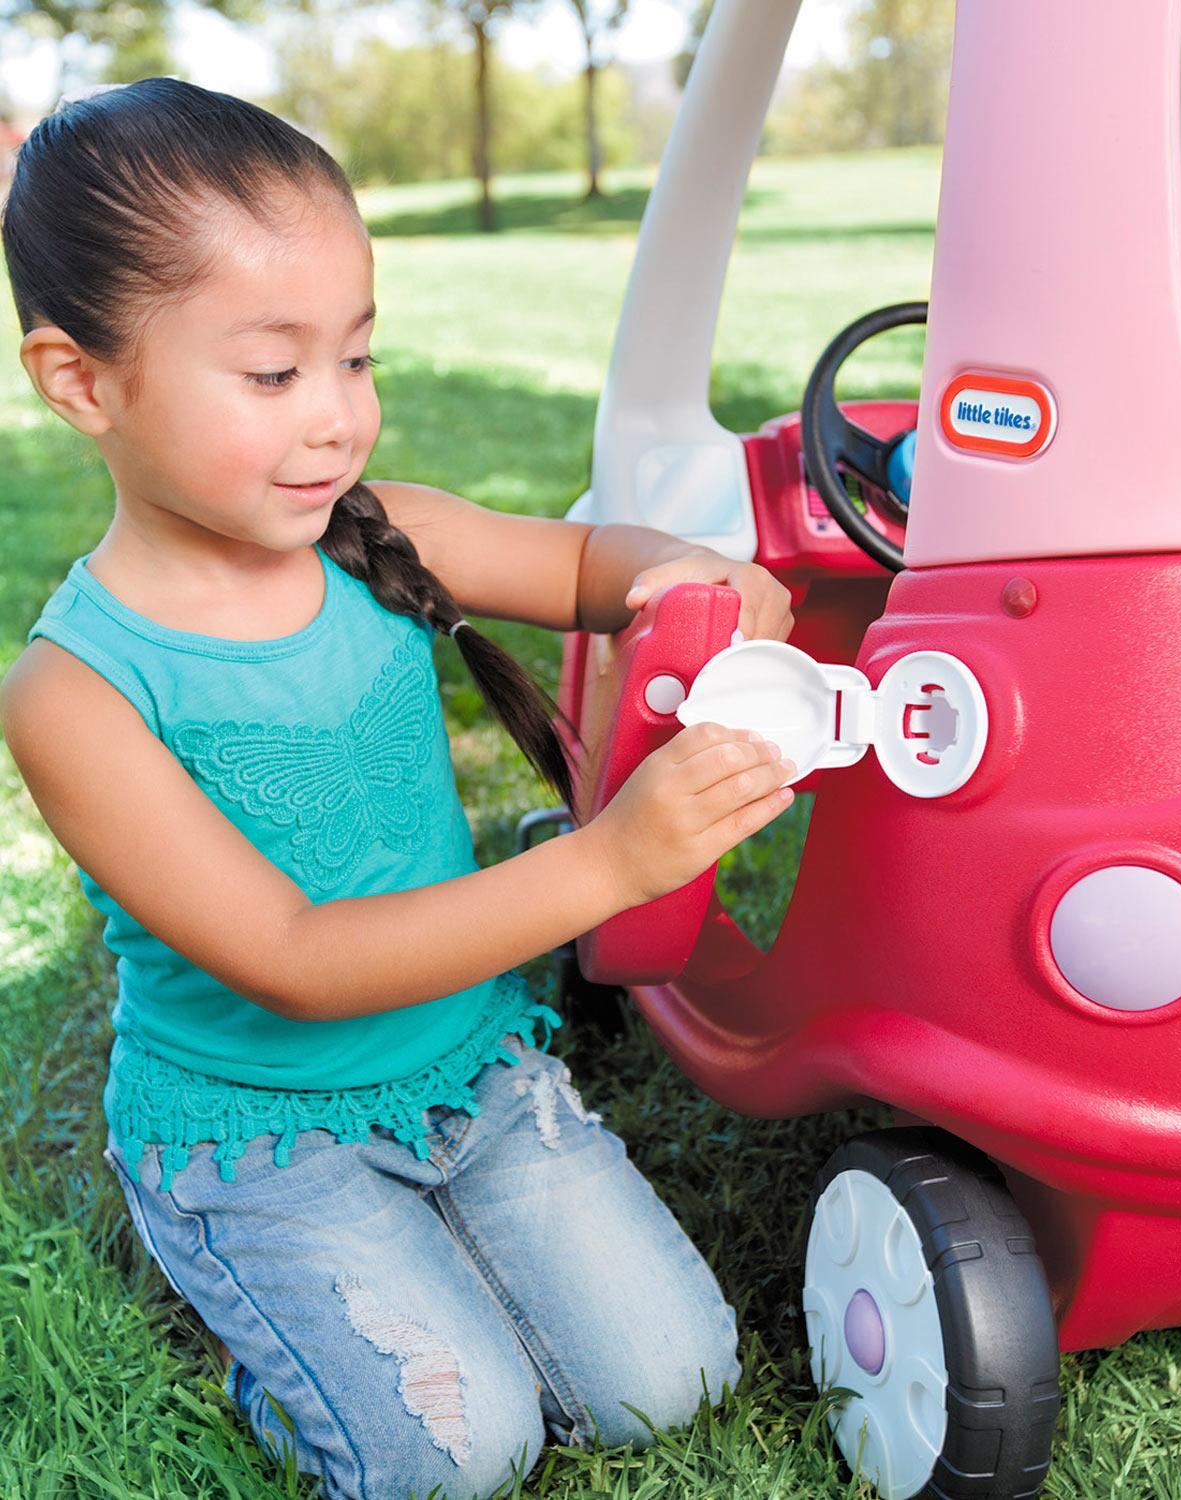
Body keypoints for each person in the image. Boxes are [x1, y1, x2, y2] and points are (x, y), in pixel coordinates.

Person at [0, 77, 799, 1500]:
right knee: (455, 1454)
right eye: (273, 374)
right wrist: (611, 863)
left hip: (467, 1066)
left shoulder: (381, 537)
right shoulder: (77, 693)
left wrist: (691, 577)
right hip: (260, 1135)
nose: (339, 420)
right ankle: (242, 1290)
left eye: (357, 358)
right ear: (82, 383)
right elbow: (297, 958)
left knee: (667, 1382)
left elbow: (584, 563)